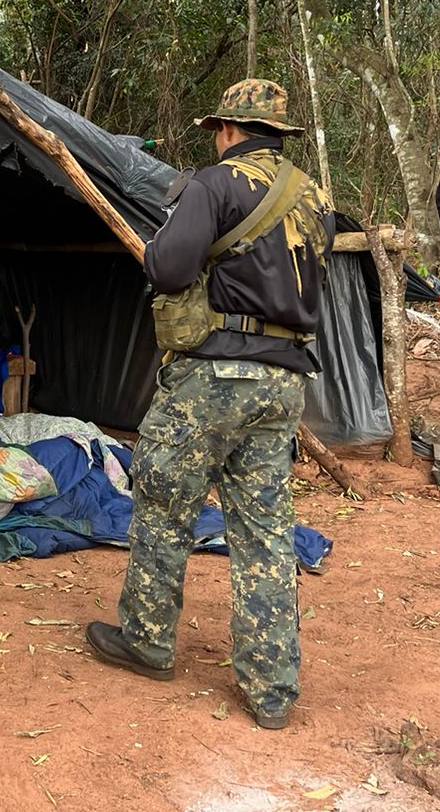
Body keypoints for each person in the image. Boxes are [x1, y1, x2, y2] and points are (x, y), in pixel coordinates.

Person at [85, 79, 334, 730]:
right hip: (284, 381)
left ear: (227, 129)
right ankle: (272, 688)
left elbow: (166, 268)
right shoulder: (314, 197)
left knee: (165, 504)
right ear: (277, 135)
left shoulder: (214, 184)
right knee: (265, 533)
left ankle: (146, 640)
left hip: (214, 377)